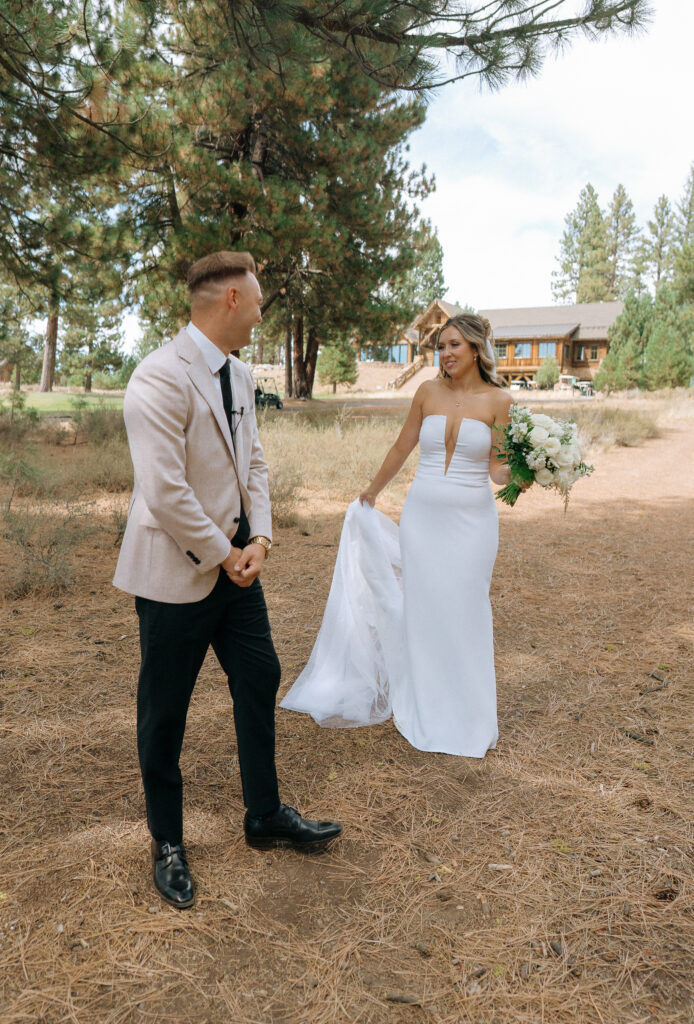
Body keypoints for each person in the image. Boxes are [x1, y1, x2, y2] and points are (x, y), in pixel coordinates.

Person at [114, 251, 342, 910]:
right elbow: (163, 489)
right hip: (176, 571)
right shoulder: (157, 377)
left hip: (238, 566)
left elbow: (256, 462)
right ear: (231, 301)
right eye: (260, 301)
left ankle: (264, 815)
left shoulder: (239, 375)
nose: (265, 312)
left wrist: (261, 537)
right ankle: (168, 843)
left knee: (260, 675)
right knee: (165, 712)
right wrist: (223, 552)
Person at [281, 313, 527, 756]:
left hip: (472, 521)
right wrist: (371, 492)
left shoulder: (499, 401)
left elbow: (497, 469)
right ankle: (428, 707)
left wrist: (524, 474)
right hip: (423, 518)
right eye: (441, 346)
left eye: (454, 345)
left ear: (475, 349)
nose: (446, 353)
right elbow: (402, 446)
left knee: (468, 609)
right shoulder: (426, 392)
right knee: (426, 609)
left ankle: (469, 717)